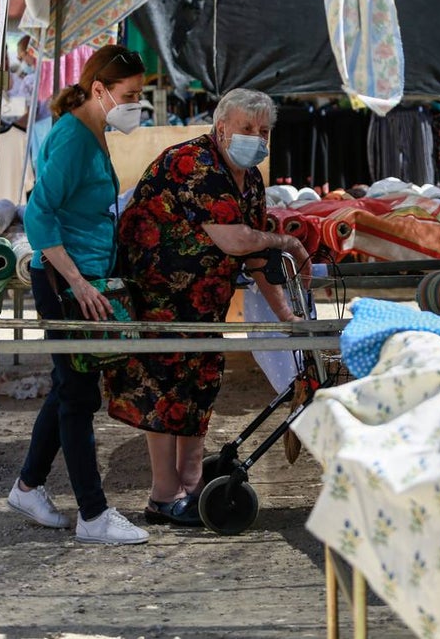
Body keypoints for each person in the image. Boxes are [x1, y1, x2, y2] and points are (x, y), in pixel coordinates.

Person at [105, 88, 311, 526]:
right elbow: (236, 239)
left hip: (203, 298)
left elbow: (256, 258)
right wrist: (289, 241)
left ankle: (192, 484)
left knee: (200, 383)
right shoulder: (194, 164)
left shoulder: (249, 178)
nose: (257, 138)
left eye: (264, 131)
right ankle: (163, 495)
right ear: (221, 129)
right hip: (160, 293)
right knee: (164, 388)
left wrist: (288, 317)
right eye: (247, 129)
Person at [8, 44, 150, 545]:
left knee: (69, 388)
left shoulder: (91, 131)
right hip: (66, 283)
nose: (137, 103)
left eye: (140, 94)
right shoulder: (73, 138)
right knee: (78, 395)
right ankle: (93, 515)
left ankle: (28, 485)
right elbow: (39, 214)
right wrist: (78, 281)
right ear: (98, 89)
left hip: (77, 279)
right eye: (130, 95)